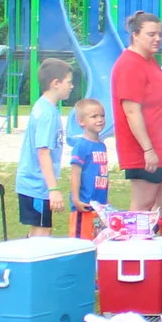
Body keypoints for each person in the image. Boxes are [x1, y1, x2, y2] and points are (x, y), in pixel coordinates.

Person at [109, 11, 162, 212]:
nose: (158, 39)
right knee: (144, 201)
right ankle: (133, 240)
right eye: (151, 34)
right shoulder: (129, 64)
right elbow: (131, 111)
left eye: (160, 34)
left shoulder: (149, 61)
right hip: (144, 147)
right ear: (135, 35)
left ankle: (156, 237)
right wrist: (148, 149)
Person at [15, 56, 74, 238]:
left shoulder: (44, 106)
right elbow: (43, 152)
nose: (71, 86)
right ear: (56, 83)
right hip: (36, 185)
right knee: (41, 233)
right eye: (69, 82)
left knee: (39, 231)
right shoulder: (47, 113)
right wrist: (53, 189)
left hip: (35, 184)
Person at [66, 95, 112, 234]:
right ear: (81, 121)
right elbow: (75, 174)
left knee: (98, 241)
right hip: (85, 205)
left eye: (102, 116)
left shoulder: (101, 146)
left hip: (99, 207)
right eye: (94, 116)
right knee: (82, 243)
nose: (100, 120)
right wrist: (76, 199)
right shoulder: (81, 146)